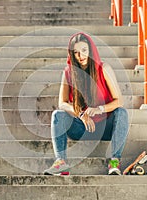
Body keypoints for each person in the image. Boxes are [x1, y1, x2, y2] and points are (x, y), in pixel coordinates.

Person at [43, 32, 129, 175]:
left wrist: (100, 109)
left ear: (91, 50)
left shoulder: (104, 69)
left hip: (105, 127)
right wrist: (81, 114)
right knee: (58, 115)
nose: (81, 56)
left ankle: (114, 162)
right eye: (76, 52)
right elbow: (62, 103)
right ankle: (61, 162)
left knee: (122, 113)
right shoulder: (68, 73)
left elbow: (119, 100)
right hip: (81, 128)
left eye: (84, 50)